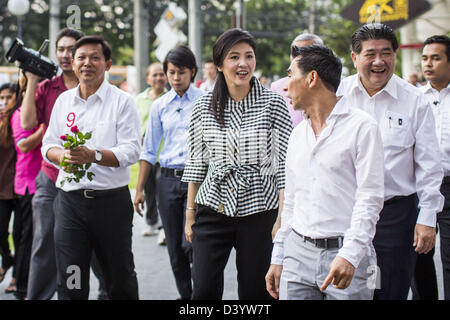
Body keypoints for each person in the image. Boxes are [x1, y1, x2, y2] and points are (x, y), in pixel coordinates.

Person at [266, 44, 384, 300]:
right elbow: (292, 201)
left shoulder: (362, 127)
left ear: (311, 78)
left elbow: (370, 199)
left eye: (290, 74)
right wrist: (279, 256)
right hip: (297, 254)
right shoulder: (298, 134)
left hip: (346, 255)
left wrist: (350, 255)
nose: (285, 85)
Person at [182, 28, 292, 300]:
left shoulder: (274, 102)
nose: (243, 64)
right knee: (203, 291)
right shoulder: (203, 105)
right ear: (219, 64)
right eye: (234, 57)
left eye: (249, 56)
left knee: (256, 292)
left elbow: (285, 167)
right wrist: (190, 213)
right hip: (213, 206)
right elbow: (196, 162)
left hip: (260, 210)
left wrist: (282, 217)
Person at [337, 23, 444, 300]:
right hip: (345, 213)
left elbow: (429, 166)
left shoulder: (414, 101)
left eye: (386, 53)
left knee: (389, 290)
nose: (379, 61)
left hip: (395, 217)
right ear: (354, 57)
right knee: (346, 291)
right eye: (370, 53)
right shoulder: (337, 96)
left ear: (395, 56)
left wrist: (427, 218)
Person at [42, 35, 141, 300]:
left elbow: (131, 150)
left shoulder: (122, 101)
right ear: (73, 64)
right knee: (72, 277)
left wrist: (93, 155)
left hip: (110, 204)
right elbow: (48, 144)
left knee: (118, 276)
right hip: (70, 203)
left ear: (107, 64)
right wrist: (61, 155)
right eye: (81, 58)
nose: (88, 63)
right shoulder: (63, 102)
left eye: (95, 58)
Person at [134, 46, 204, 300]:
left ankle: (201, 296)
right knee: (175, 247)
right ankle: (187, 297)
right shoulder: (159, 106)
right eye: (171, 72)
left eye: (181, 72)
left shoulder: (205, 100)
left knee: (193, 244)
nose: (175, 78)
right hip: (167, 181)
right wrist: (140, 189)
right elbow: (149, 150)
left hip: (198, 181)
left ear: (192, 72)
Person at [416, 35, 450, 300]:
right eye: (425, 58)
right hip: (421, 188)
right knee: (419, 257)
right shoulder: (415, 98)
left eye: (436, 58)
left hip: (449, 185)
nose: (428, 64)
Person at [7, 75, 43, 299]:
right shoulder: (20, 114)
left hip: (47, 184)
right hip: (29, 185)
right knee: (27, 240)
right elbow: (24, 145)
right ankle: (22, 287)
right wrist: (46, 128)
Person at [135, 63, 167, 239]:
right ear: (148, 79)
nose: (158, 78)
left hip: (164, 154)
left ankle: (163, 227)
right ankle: (151, 222)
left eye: (162, 75)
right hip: (146, 154)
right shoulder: (139, 99)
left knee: (163, 191)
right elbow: (135, 123)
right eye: (154, 75)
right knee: (149, 190)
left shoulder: (170, 98)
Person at [270, 33, 324, 128]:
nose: (298, 58)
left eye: (304, 53)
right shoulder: (278, 87)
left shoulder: (332, 84)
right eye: (294, 53)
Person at [0, 82, 18, 293]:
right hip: (2, 188)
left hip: (21, 187)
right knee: (1, 231)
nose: (4, 102)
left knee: (21, 236)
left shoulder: (21, 119)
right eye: (1, 98)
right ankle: (7, 258)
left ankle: (16, 277)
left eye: (8, 97)